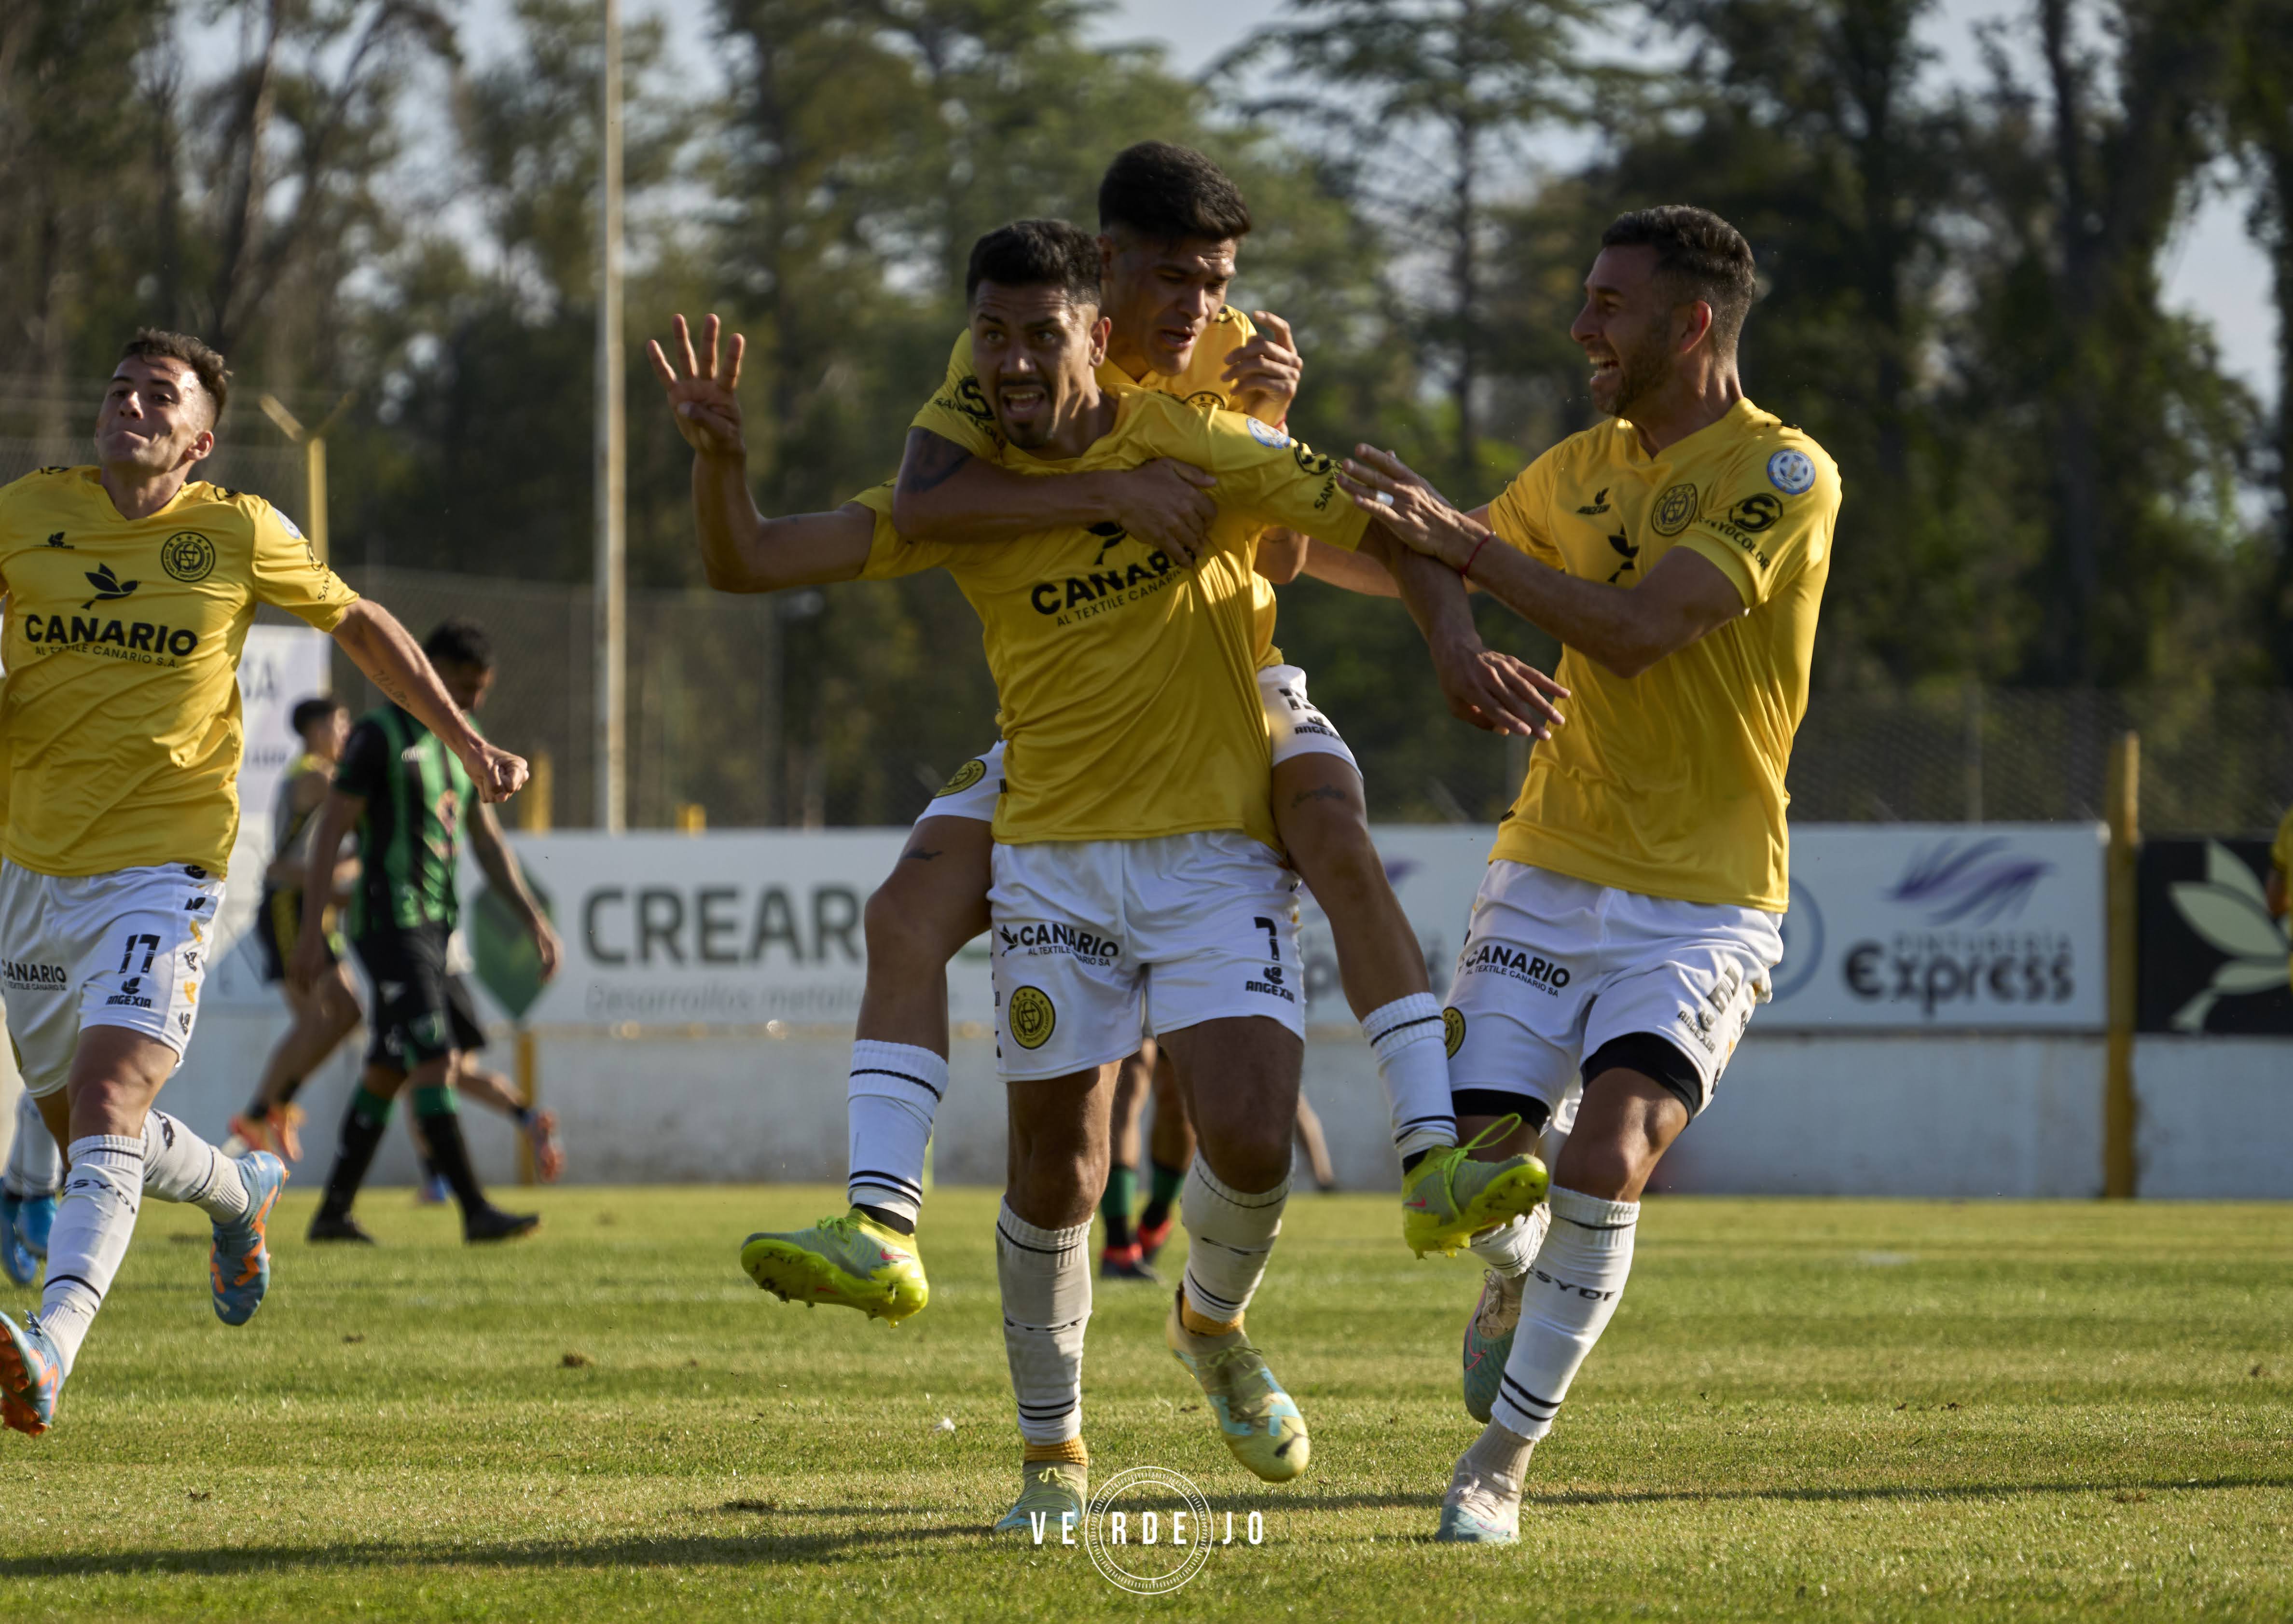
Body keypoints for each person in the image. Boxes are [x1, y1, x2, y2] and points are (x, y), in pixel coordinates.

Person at [653, 218, 1514, 1532]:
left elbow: (1374, 529)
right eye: (990, 334)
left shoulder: (1200, 438)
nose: (1008, 360)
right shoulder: (967, 478)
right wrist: (723, 464)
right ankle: (1048, 1454)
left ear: (1094, 334)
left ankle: (1211, 1320)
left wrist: (1452, 617)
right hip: (1055, 862)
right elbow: (752, 557)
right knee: (1058, 1167)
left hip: (1215, 850)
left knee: (1248, 1134)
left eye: (1036, 336)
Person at [739, 141, 1559, 1329]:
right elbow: (921, 503)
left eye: (1218, 281)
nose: (1203, 310)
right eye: (1177, 279)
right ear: (1107, 269)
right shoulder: (1018, 343)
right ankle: (894, 1230)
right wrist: (1105, 491)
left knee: (1329, 827)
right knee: (912, 923)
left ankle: (1425, 1153)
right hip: (1069, 732)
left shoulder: (1228, 358)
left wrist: (1289, 434)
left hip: (1235, 673)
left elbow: (1285, 542)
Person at [1334, 206, 1842, 1542]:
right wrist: (1435, 615)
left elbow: (1633, 631)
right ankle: (1512, 1278)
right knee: (1482, 1160)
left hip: (1708, 895)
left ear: (1691, 324)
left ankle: (1496, 1466)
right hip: (1551, 867)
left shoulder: (1783, 474)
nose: (1580, 330)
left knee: (1609, 1157)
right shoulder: (1576, 467)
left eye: (1608, 306)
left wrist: (1465, 551)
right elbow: (1415, 551)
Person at [0, 330, 530, 1436]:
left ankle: (50, 1348)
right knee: (97, 1131)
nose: (131, 404)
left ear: (199, 438)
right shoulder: (26, 512)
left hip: (163, 866)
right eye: (119, 387)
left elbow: (364, 628)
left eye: (160, 394)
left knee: (106, 1100)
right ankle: (242, 1192)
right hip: (31, 870)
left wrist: (467, 739)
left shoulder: (235, 530)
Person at [298, 619, 562, 1245]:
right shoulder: (377, 735)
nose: (471, 701)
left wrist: (533, 919)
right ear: (429, 671)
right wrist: (313, 929)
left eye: (479, 691)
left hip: (435, 927)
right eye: (463, 686)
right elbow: (331, 830)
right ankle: (474, 1209)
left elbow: (486, 841)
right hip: (390, 921)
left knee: (390, 1066)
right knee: (438, 1057)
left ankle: (333, 1212)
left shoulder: (461, 744)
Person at [227, 696, 358, 1163]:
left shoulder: (323, 775)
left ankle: (277, 1105)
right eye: (341, 723)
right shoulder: (316, 776)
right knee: (317, 1018)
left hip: (312, 905)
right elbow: (367, 807)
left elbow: (338, 855)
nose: (346, 733)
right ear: (317, 730)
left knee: (348, 1012)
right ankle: (259, 1112)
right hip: (288, 907)